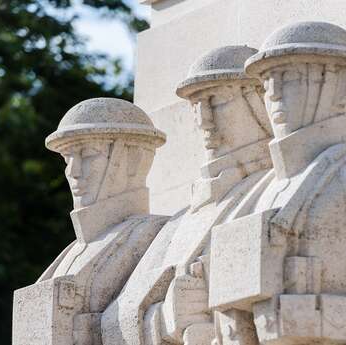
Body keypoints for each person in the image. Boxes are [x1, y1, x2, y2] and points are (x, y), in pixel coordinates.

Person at [209, 21, 346, 345]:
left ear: (341, 86)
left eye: (290, 77)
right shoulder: (252, 196)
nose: (275, 94)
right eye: (267, 82)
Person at [101, 46, 277, 345]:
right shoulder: (178, 222)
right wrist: (164, 317)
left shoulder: (276, 190)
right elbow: (114, 321)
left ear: (258, 102)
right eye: (196, 105)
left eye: (217, 101)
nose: (205, 119)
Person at [12, 98, 168, 345]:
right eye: (67, 158)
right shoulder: (70, 254)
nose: (73, 171)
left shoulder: (161, 236)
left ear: (135, 159)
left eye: (87, 154)